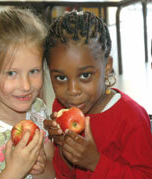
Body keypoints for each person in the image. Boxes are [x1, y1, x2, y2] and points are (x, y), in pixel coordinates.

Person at [43, 10, 152, 178]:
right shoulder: (61, 108)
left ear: (107, 67)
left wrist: (94, 162)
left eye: (85, 75)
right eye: (61, 78)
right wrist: (63, 149)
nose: (73, 91)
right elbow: (63, 174)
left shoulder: (131, 118)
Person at [0, 7, 55, 179]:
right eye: (12, 73)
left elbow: (51, 170)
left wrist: (41, 167)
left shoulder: (38, 110)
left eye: (34, 71)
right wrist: (16, 170)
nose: (26, 86)